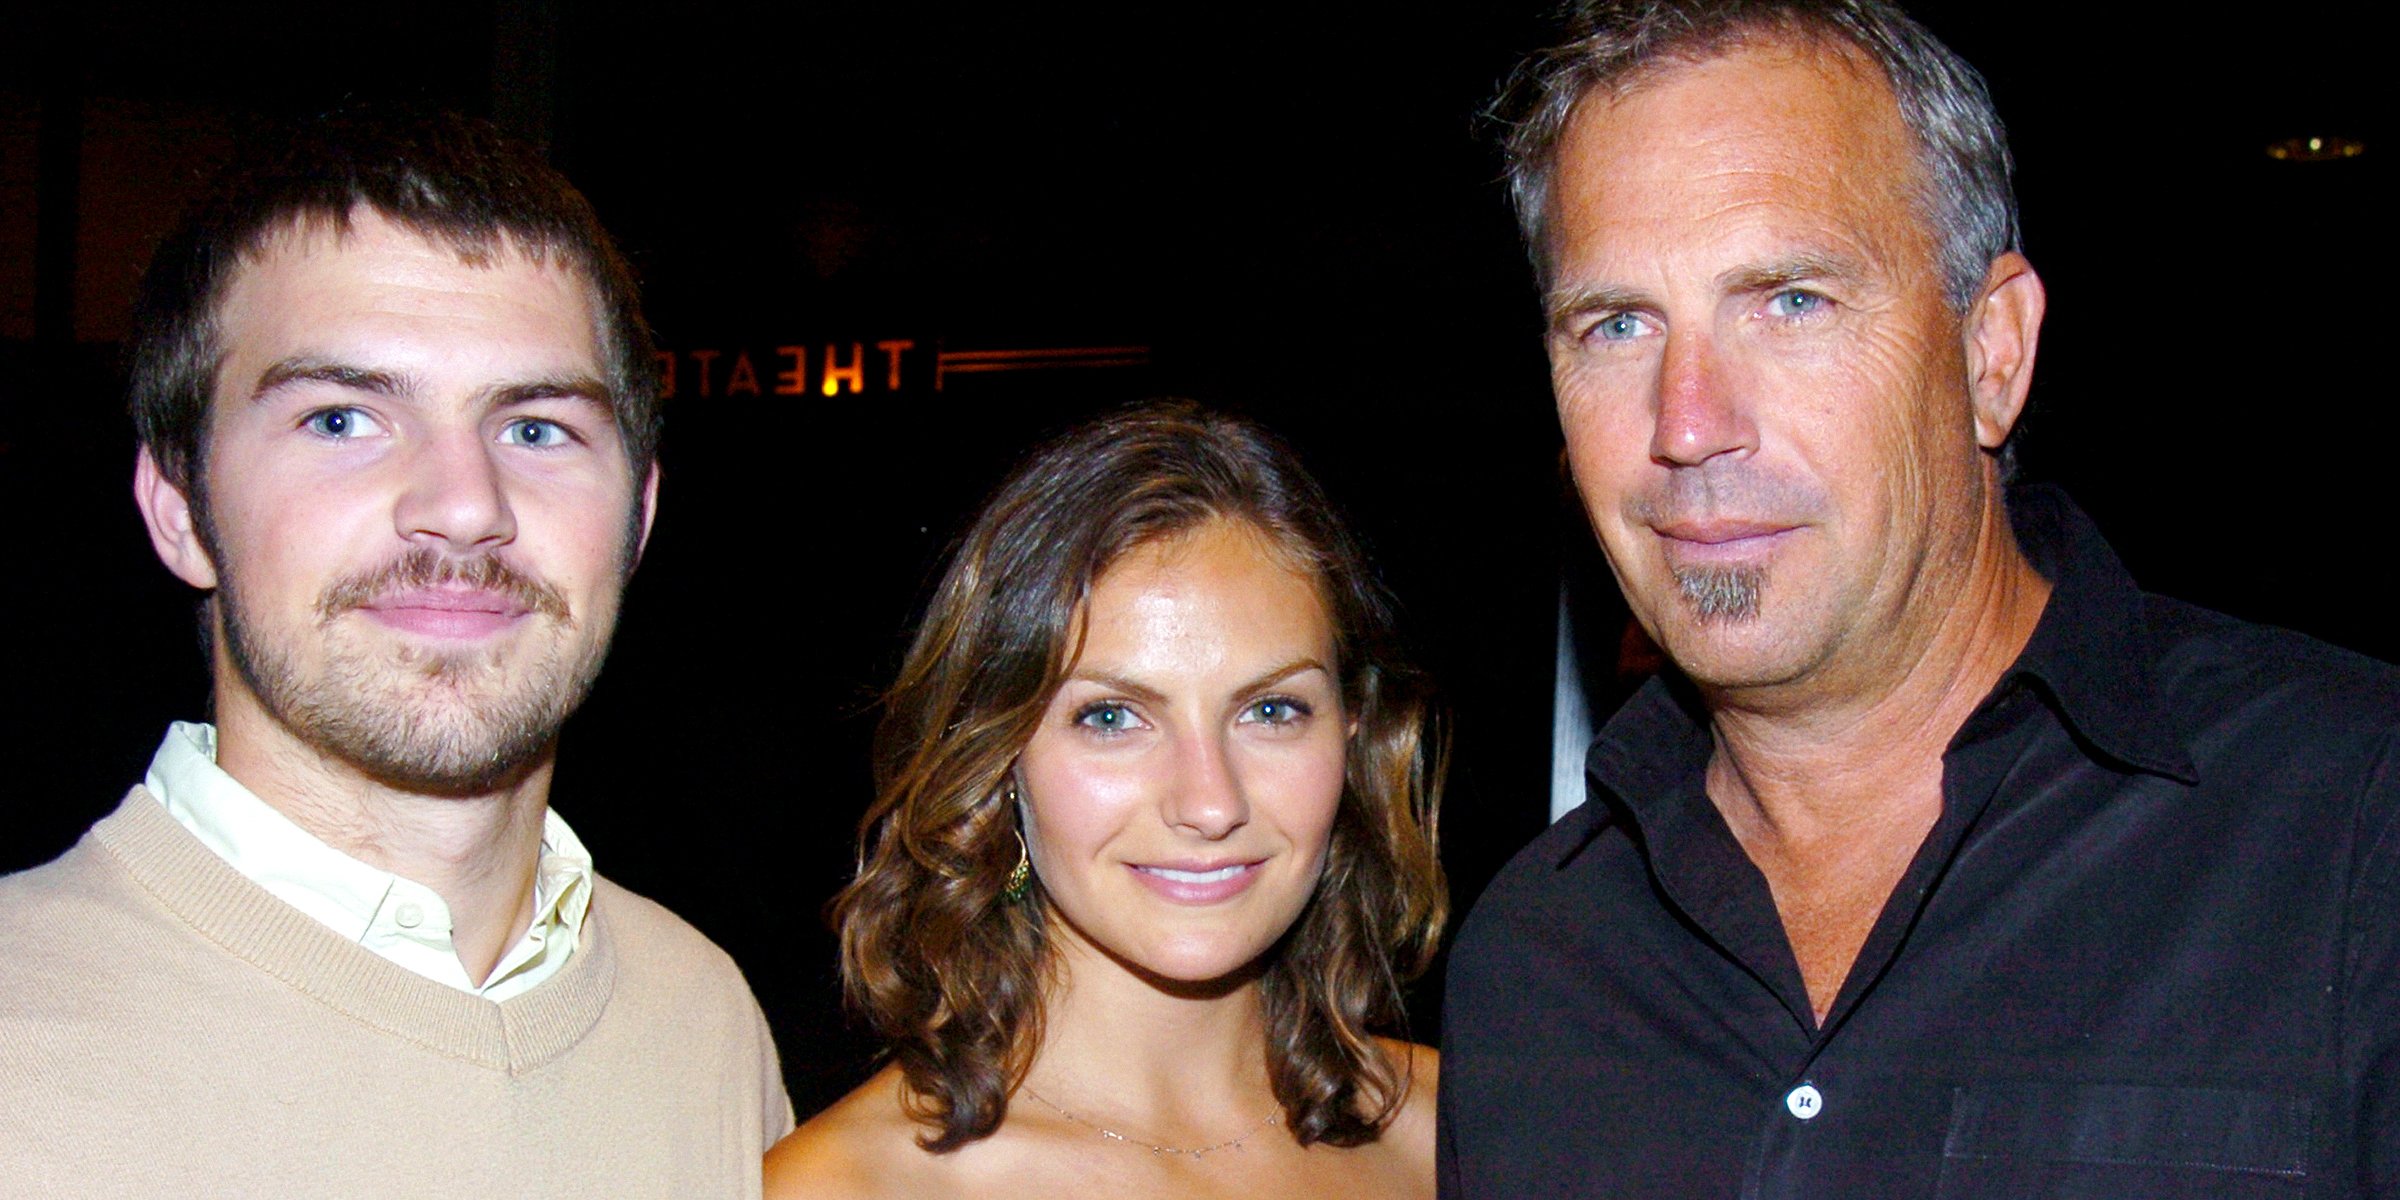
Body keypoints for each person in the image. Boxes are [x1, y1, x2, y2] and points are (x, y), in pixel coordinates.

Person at [1440, 2, 2400, 1197]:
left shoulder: (2353, 823)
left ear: (1990, 354)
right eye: (1618, 323)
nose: (1686, 424)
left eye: (1791, 300)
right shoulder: (1534, 966)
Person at [0, 109, 791, 1196]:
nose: (464, 508)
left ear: (639, 518)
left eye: (535, 428)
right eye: (340, 419)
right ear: (179, 507)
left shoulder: (704, 1021)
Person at [765, 402, 1445, 1198]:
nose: (1209, 802)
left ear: (1353, 736)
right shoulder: (842, 1185)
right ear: (999, 758)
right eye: (1112, 718)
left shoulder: (1467, 1132)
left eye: (1271, 711)